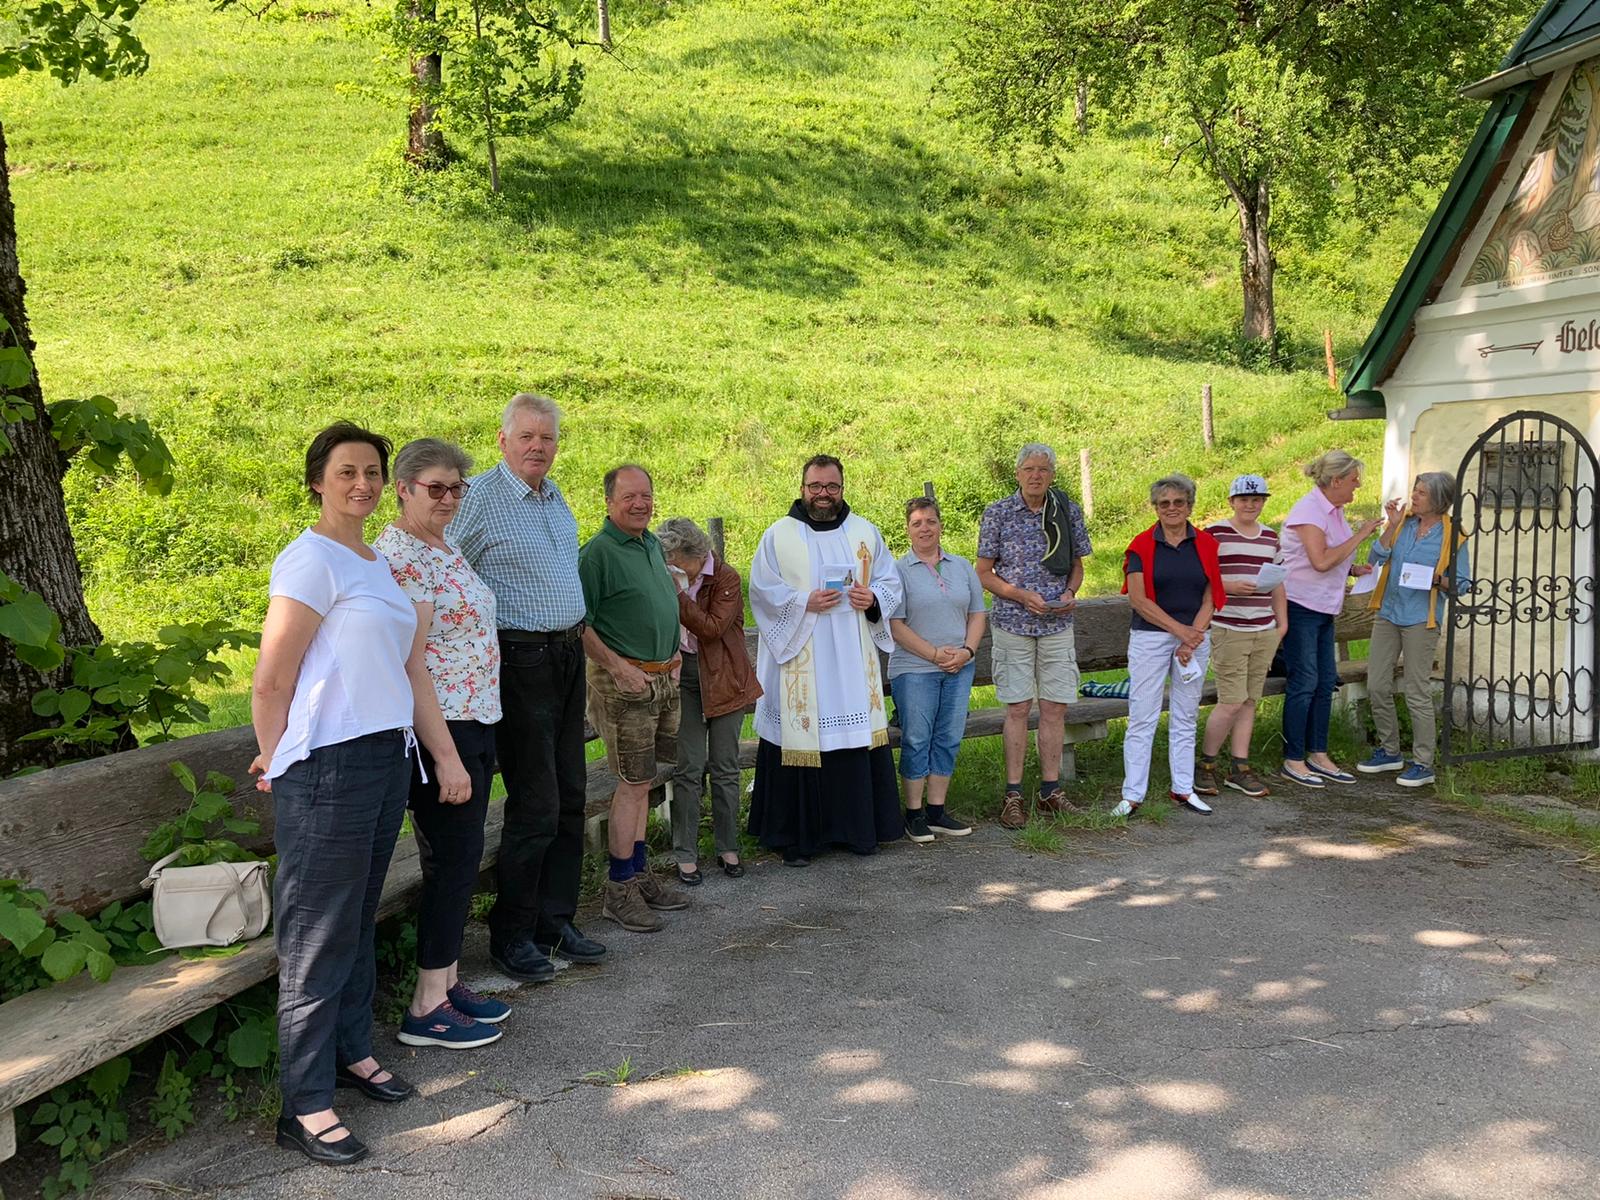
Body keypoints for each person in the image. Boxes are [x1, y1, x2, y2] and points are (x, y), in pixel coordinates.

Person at [250, 423, 471, 1166]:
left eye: (372, 471)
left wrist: (437, 752)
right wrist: (279, 758)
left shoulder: (373, 561)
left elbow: (407, 668)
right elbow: (272, 678)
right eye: (347, 471)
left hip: (384, 757)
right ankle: (304, 1105)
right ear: (318, 480)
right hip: (329, 769)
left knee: (357, 918)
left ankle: (350, 1053)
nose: (363, 484)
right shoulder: (310, 559)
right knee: (316, 935)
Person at [449, 393, 605, 981]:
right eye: (527, 436)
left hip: (566, 654)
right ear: (503, 440)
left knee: (570, 793)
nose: (538, 447)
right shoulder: (480, 498)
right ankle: (511, 933)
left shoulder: (553, 495)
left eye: (548, 437)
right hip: (519, 661)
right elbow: (447, 569)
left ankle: (554, 921)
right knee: (536, 801)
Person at [374, 439, 508, 1050]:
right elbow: (411, 664)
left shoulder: (443, 546)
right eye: (436, 488)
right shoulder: (403, 557)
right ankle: (426, 1007)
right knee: (452, 860)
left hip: (472, 721)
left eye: (457, 488)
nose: (449, 498)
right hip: (441, 731)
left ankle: (448, 983)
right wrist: (448, 757)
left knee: (462, 856)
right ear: (403, 489)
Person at [747, 455, 905, 865]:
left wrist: (872, 599)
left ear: (842, 489)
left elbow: (890, 582)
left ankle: (857, 832)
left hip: (851, 658)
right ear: (802, 488)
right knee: (803, 735)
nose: (823, 494)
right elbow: (762, 592)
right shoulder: (778, 536)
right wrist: (804, 602)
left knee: (851, 738)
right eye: (815, 486)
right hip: (802, 654)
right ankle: (800, 840)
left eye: (831, 487)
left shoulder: (864, 532)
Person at [579, 465, 690, 931]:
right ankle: (619, 889)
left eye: (646, 495)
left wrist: (674, 650)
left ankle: (639, 874)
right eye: (629, 497)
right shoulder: (597, 554)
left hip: (659, 678)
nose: (640, 504)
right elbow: (579, 623)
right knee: (631, 783)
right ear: (609, 502)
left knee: (645, 781)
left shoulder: (649, 545)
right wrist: (618, 668)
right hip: (625, 684)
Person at [976, 443, 1092, 829]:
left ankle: (1049, 792)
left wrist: (1070, 593)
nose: (1036, 475)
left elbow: (1077, 566)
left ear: (1052, 475)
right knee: (1017, 708)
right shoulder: (998, 513)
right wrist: (1020, 595)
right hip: (1013, 623)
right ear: (1017, 474)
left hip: (1057, 625)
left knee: (1055, 707)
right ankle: (1013, 795)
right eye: (1029, 469)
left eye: (1043, 469)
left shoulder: (1067, 510)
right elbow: (984, 573)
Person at [657, 517, 762, 885]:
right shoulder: (668, 575)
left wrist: (677, 595)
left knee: (724, 767)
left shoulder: (725, 578)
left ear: (695, 555)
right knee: (687, 768)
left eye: (674, 559)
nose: (670, 566)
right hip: (684, 678)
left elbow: (712, 628)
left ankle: (728, 847)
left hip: (725, 679)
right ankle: (685, 853)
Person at [1114, 474, 1226, 818]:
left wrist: (1193, 636)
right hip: (1151, 638)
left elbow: (1211, 596)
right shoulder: (1141, 546)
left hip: (1195, 636)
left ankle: (1183, 788)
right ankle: (1132, 795)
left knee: (1186, 715)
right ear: (1156, 508)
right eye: (1164, 503)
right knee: (1142, 716)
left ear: (1190, 506)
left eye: (1179, 502)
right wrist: (1181, 632)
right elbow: (1138, 600)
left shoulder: (1206, 544)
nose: (1172, 508)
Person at [1357, 471, 1469, 789]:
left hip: (1422, 618)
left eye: (1421, 493)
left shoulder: (1453, 535)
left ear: (1439, 500)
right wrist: (1391, 526)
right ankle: (1390, 751)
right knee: (1377, 685)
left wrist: (1435, 579)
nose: (1414, 496)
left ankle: (1423, 763)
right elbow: (1375, 558)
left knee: (1416, 692)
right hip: (1388, 612)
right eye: (1415, 490)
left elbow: (1462, 584)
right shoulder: (1403, 524)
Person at [1278, 451, 1380, 789]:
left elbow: (1328, 556)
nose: (1358, 485)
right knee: (1304, 681)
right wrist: (1361, 535)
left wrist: (1353, 569)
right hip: (1300, 606)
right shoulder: (1309, 511)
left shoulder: (1334, 511)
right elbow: (1320, 561)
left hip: (1324, 607)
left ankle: (1318, 754)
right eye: (1353, 479)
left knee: (1325, 682)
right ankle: (1293, 759)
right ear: (1336, 481)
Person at [888, 497, 986, 841]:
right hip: (915, 668)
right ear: (908, 530)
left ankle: (937, 811)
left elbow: (977, 614)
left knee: (948, 738)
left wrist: (967, 651)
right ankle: (913, 814)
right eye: (917, 523)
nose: (925, 528)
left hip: (959, 667)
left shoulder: (961, 567)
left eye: (930, 521)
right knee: (917, 738)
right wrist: (933, 655)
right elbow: (895, 624)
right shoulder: (897, 571)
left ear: (940, 525)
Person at [1195, 474, 1287, 799]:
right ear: (1232, 502)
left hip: (1264, 628)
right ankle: (1206, 765)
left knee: (1249, 700)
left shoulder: (1270, 537)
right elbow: (1200, 577)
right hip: (1230, 627)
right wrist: (1229, 586)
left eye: (1257, 499)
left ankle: (1240, 766)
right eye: (1244, 499)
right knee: (1231, 701)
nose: (1250, 505)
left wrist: (1281, 624)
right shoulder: (1215, 534)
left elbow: (1278, 581)